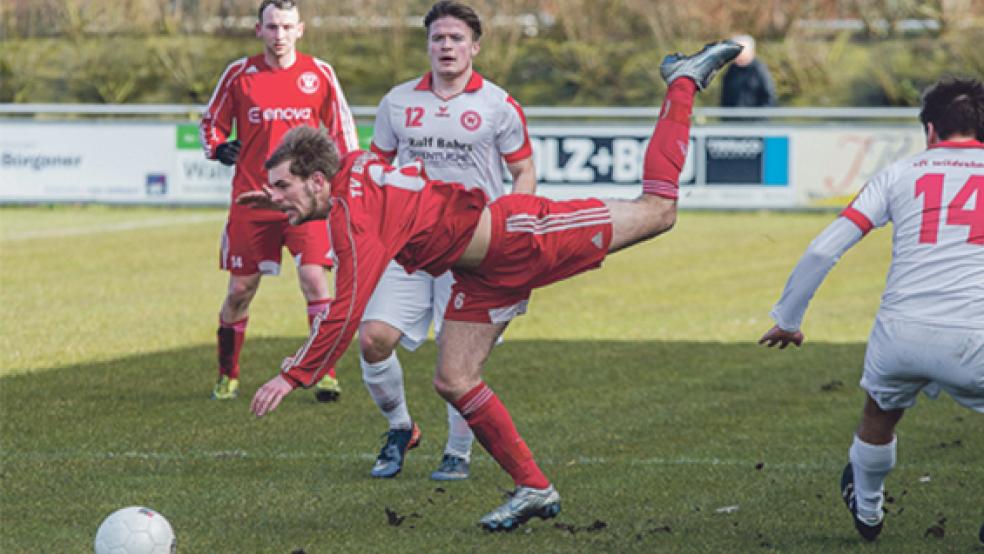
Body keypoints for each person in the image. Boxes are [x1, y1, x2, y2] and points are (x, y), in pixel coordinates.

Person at [244, 40, 742, 531]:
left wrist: (293, 374)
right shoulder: (351, 175)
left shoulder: (353, 212)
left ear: (314, 179)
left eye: (284, 187)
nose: (280, 198)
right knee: (453, 379)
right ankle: (535, 488)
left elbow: (348, 307)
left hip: (521, 237)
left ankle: (682, 81)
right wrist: (274, 201)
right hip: (479, 272)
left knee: (659, 212)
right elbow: (349, 208)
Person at [759, 77, 983, 542]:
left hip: (900, 334)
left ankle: (868, 508)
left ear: (930, 130)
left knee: (879, 415)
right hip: (976, 333)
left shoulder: (899, 173)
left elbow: (824, 250)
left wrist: (789, 319)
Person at [360, 1, 537, 482]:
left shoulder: (498, 104)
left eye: (456, 38)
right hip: (410, 245)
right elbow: (376, 170)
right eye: (438, 38)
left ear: (474, 46)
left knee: (457, 361)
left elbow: (523, 170)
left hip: (473, 250)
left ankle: (458, 452)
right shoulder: (397, 102)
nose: (446, 47)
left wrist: (513, 225)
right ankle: (400, 429)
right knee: (373, 340)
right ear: (428, 46)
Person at [200, 0, 358, 402]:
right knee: (240, 290)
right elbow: (211, 122)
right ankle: (227, 374)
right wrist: (218, 148)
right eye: (272, 27)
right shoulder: (239, 74)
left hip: (306, 204)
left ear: (300, 30)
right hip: (253, 200)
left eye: (287, 27)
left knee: (313, 279)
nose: (279, 35)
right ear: (259, 31)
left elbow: (342, 131)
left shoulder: (319, 73)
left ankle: (324, 372)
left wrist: (346, 179)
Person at [720, 34, 776, 110]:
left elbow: (769, 98)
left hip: (755, 120)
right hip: (733, 120)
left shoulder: (760, 70)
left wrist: (759, 117)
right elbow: (724, 98)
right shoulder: (730, 71)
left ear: (751, 51)